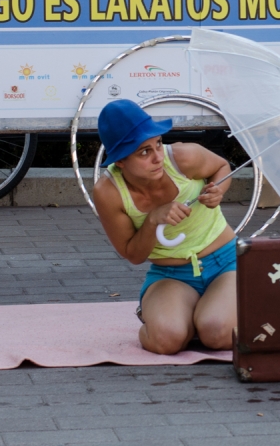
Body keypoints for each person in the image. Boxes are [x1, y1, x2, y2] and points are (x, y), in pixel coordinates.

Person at [93, 100, 236, 355]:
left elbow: (222, 167)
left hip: (226, 262)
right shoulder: (109, 192)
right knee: (166, 341)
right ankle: (178, 315)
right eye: (144, 152)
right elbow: (133, 255)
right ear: (121, 161)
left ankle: (205, 314)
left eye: (158, 143)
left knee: (217, 333)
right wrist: (152, 220)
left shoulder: (184, 157)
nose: (158, 157)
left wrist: (217, 190)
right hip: (171, 274)